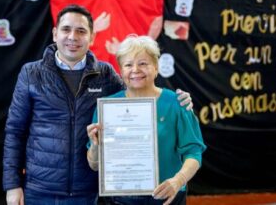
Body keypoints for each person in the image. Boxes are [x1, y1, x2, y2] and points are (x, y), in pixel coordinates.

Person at [3, 4, 194, 205]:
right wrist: (12, 185)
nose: (72, 37)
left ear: (92, 37)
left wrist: (179, 99)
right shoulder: (31, 73)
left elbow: (137, 97)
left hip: (89, 191)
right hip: (40, 189)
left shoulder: (106, 74)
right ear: (55, 33)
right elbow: (15, 131)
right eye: (66, 29)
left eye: (81, 31)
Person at [87, 35, 206, 205]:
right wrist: (96, 147)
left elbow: (194, 153)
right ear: (121, 71)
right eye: (128, 65)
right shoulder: (107, 108)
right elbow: (94, 165)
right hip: (121, 198)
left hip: (167, 195)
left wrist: (178, 181)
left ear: (156, 68)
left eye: (143, 63)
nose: (135, 69)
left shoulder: (176, 103)